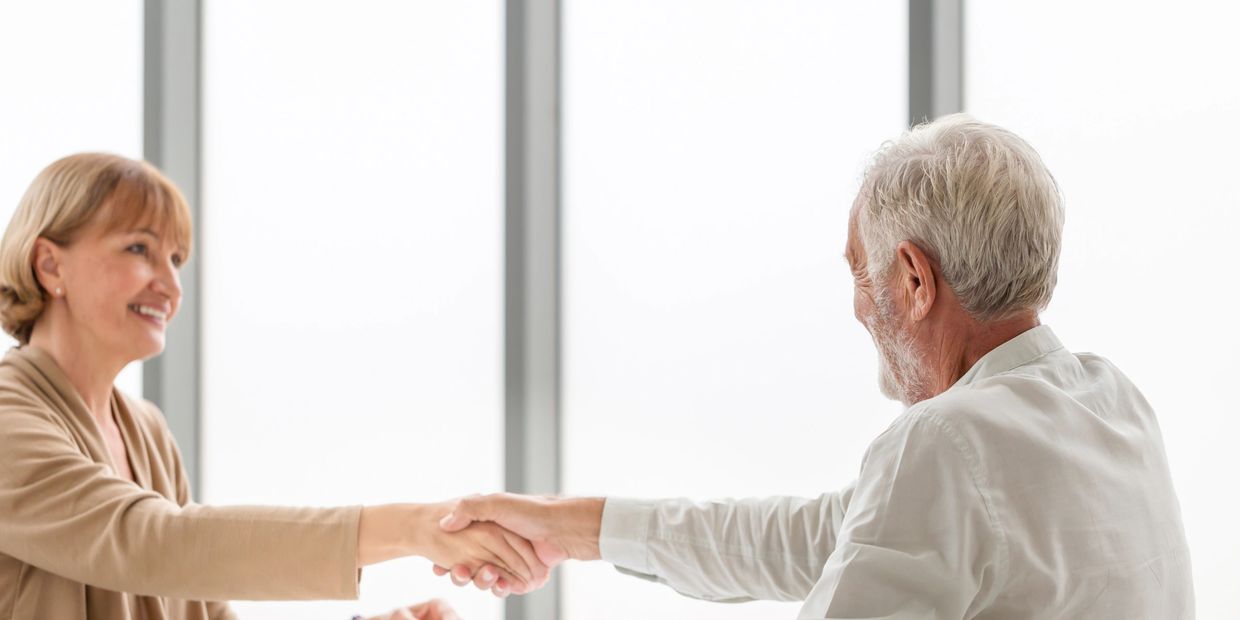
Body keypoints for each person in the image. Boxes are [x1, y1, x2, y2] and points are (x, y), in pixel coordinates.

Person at [434, 115, 1195, 618]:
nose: (860, 308)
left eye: (859, 272)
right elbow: (818, 538)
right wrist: (572, 529)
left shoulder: (946, 440)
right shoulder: (1112, 403)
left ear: (915, 280)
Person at [0, 153, 546, 619]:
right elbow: (154, 541)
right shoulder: (8, 417)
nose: (169, 285)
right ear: (50, 265)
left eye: (176, 259)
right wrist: (412, 526)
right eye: (139, 249)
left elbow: (203, 603)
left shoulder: (145, 430)